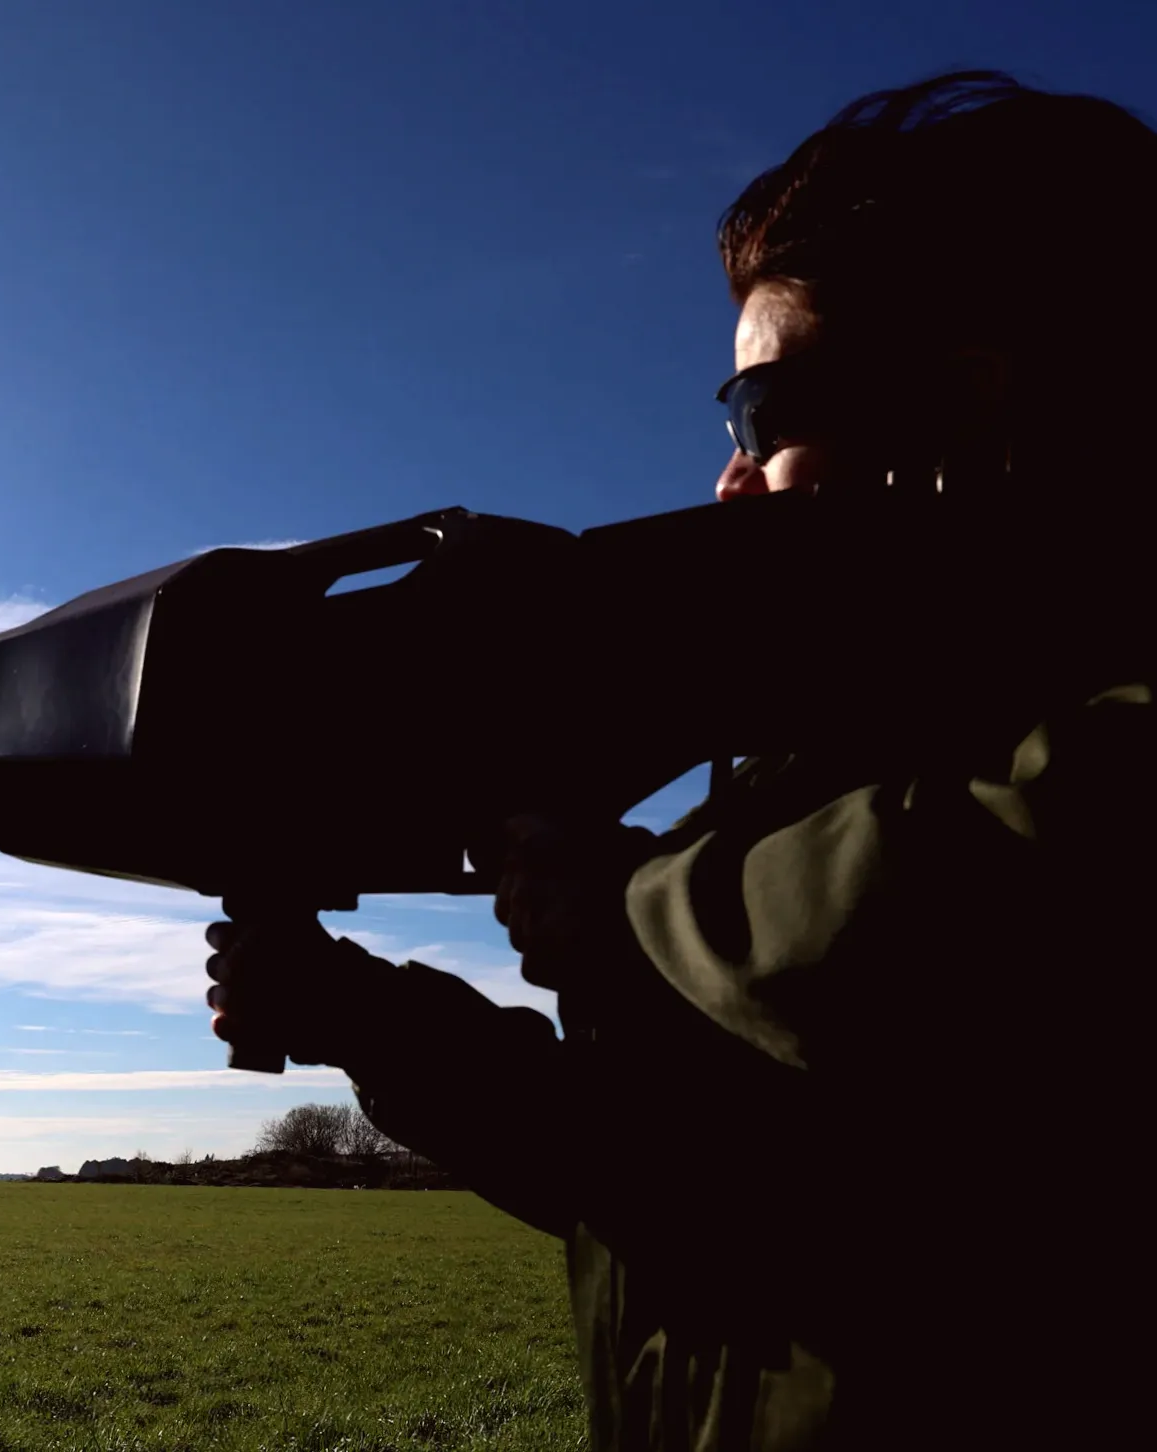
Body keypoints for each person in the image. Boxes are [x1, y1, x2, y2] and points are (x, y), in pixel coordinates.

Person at [204, 72, 1153, 1450]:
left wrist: (636, 911)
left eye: (763, 420)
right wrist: (372, 1023)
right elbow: (683, 1179)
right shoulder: (818, 768)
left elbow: (1027, 899)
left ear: (967, 412)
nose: (730, 477)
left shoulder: (1070, 749)